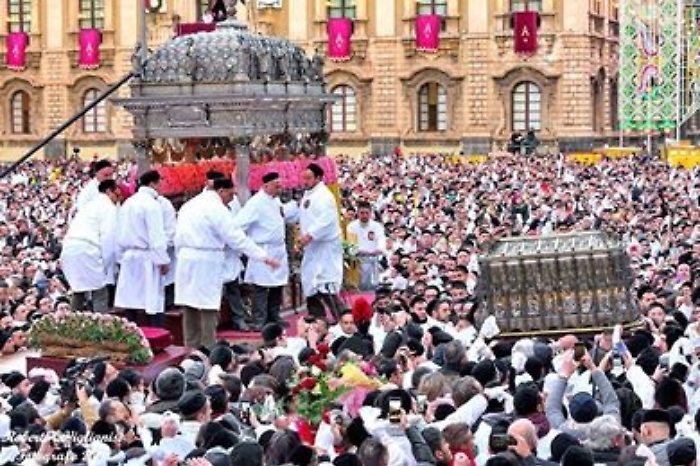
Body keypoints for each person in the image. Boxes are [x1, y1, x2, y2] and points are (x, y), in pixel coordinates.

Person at [174, 178, 280, 349]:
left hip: (186, 258)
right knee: (208, 305)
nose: (231, 200)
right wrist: (263, 256)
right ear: (221, 191)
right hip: (206, 258)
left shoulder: (189, 205)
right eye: (230, 195)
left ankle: (190, 346)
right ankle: (208, 347)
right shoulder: (216, 208)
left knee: (189, 303)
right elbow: (236, 238)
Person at [233, 172, 298, 331]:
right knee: (261, 286)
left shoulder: (276, 200)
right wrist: (246, 244)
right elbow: (239, 224)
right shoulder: (256, 203)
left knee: (278, 285)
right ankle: (259, 319)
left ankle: (273, 315)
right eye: (276, 186)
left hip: (278, 248)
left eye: (280, 186)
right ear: (266, 186)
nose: (279, 189)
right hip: (263, 249)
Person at [114, 170, 171, 327]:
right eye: (160, 182)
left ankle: (132, 332)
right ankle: (156, 332)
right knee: (152, 300)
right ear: (152, 183)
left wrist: (120, 258)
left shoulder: (128, 203)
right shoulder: (152, 205)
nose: (162, 186)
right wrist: (162, 260)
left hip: (129, 256)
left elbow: (118, 233)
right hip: (147, 256)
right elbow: (156, 236)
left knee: (131, 299)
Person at [60, 179, 120, 312]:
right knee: (100, 291)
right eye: (117, 192)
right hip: (87, 248)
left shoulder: (89, 205)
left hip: (69, 248)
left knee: (78, 290)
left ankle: (71, 322)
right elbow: (108, 237)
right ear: (109, 191)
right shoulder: (108, 207)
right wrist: (106, 264)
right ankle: (101, 324)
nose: (119, 196)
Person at [298, 163, 344, 323]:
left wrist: (310, 235)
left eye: (308, 178)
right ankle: (318, 318)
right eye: (304, 178)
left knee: (326, 282)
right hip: (313, 247)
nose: (305, 181)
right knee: (310, 282)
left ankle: (342, 318)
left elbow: (326, 220)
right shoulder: (308, 194)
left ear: (318, 178)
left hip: (325, 246)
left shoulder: (324, 196)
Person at [346, 200, 386, 290]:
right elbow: (350, 244)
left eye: (367, 213)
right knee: (360, 285)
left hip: (373, 258)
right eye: (362, 213)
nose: (364, 215)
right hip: (358, 259)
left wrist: (379, 249)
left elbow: (381, 239)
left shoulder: (377, 226)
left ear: (370, 213)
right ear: (357, 213)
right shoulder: (351, 226)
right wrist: (359, 250)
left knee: (373, 284)